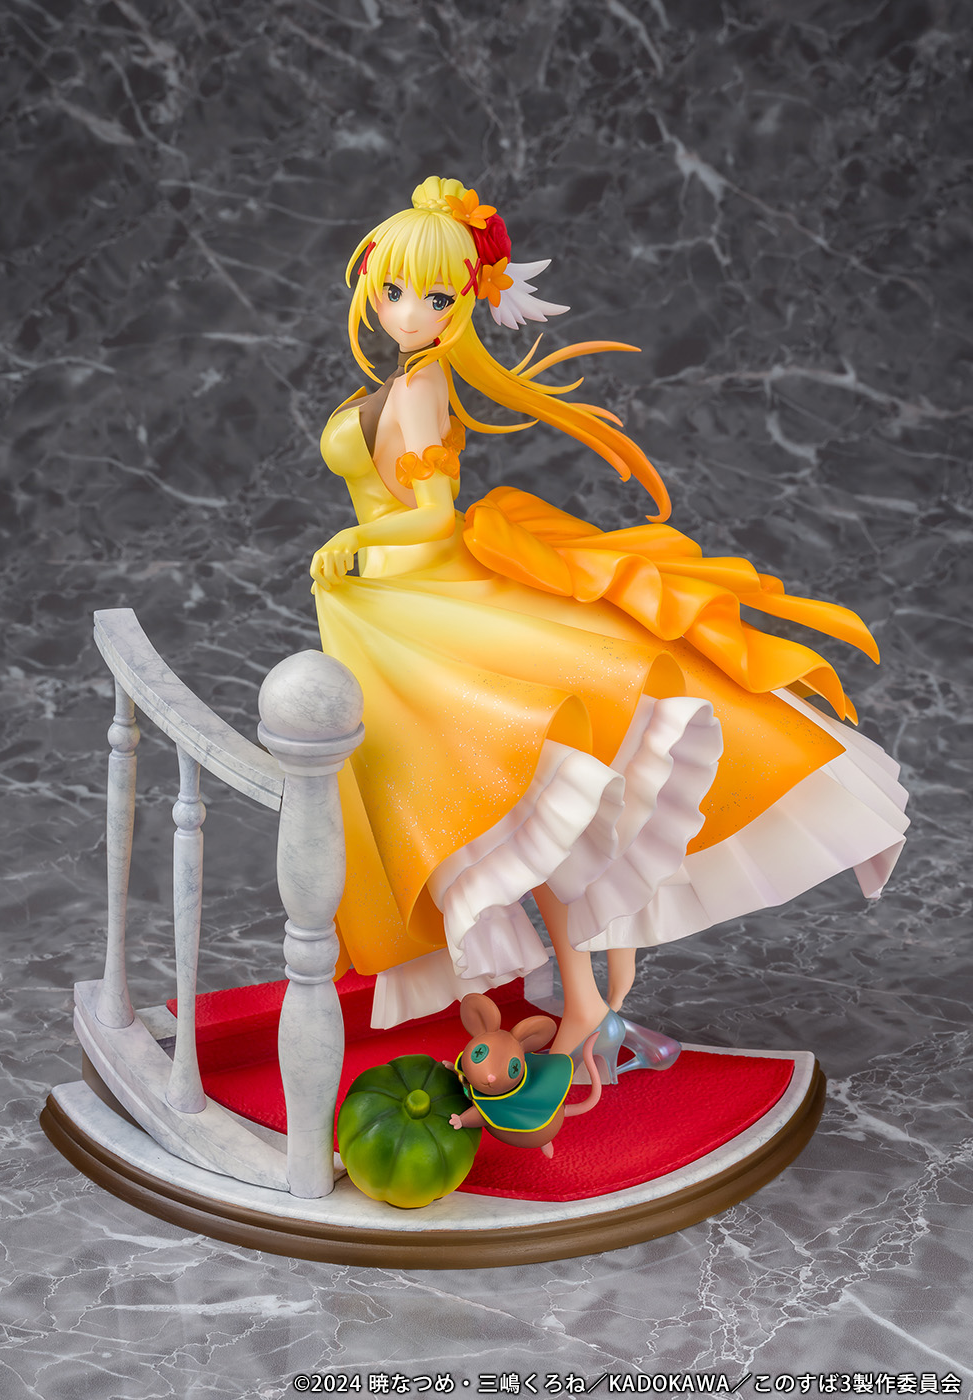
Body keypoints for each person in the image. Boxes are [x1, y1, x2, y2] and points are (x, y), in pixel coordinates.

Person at [309, 176, 908, 1070]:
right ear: (369, 281)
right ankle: (581, 997)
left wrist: (354, 542)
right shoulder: (408, 378)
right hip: (394, 610)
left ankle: (588, 997)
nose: (409, 312)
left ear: (464, 304)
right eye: (394, 290)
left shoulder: (425, 386)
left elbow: (432, 517)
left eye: (435, 297)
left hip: (426, 602)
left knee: (523, 787)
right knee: (501, 802)